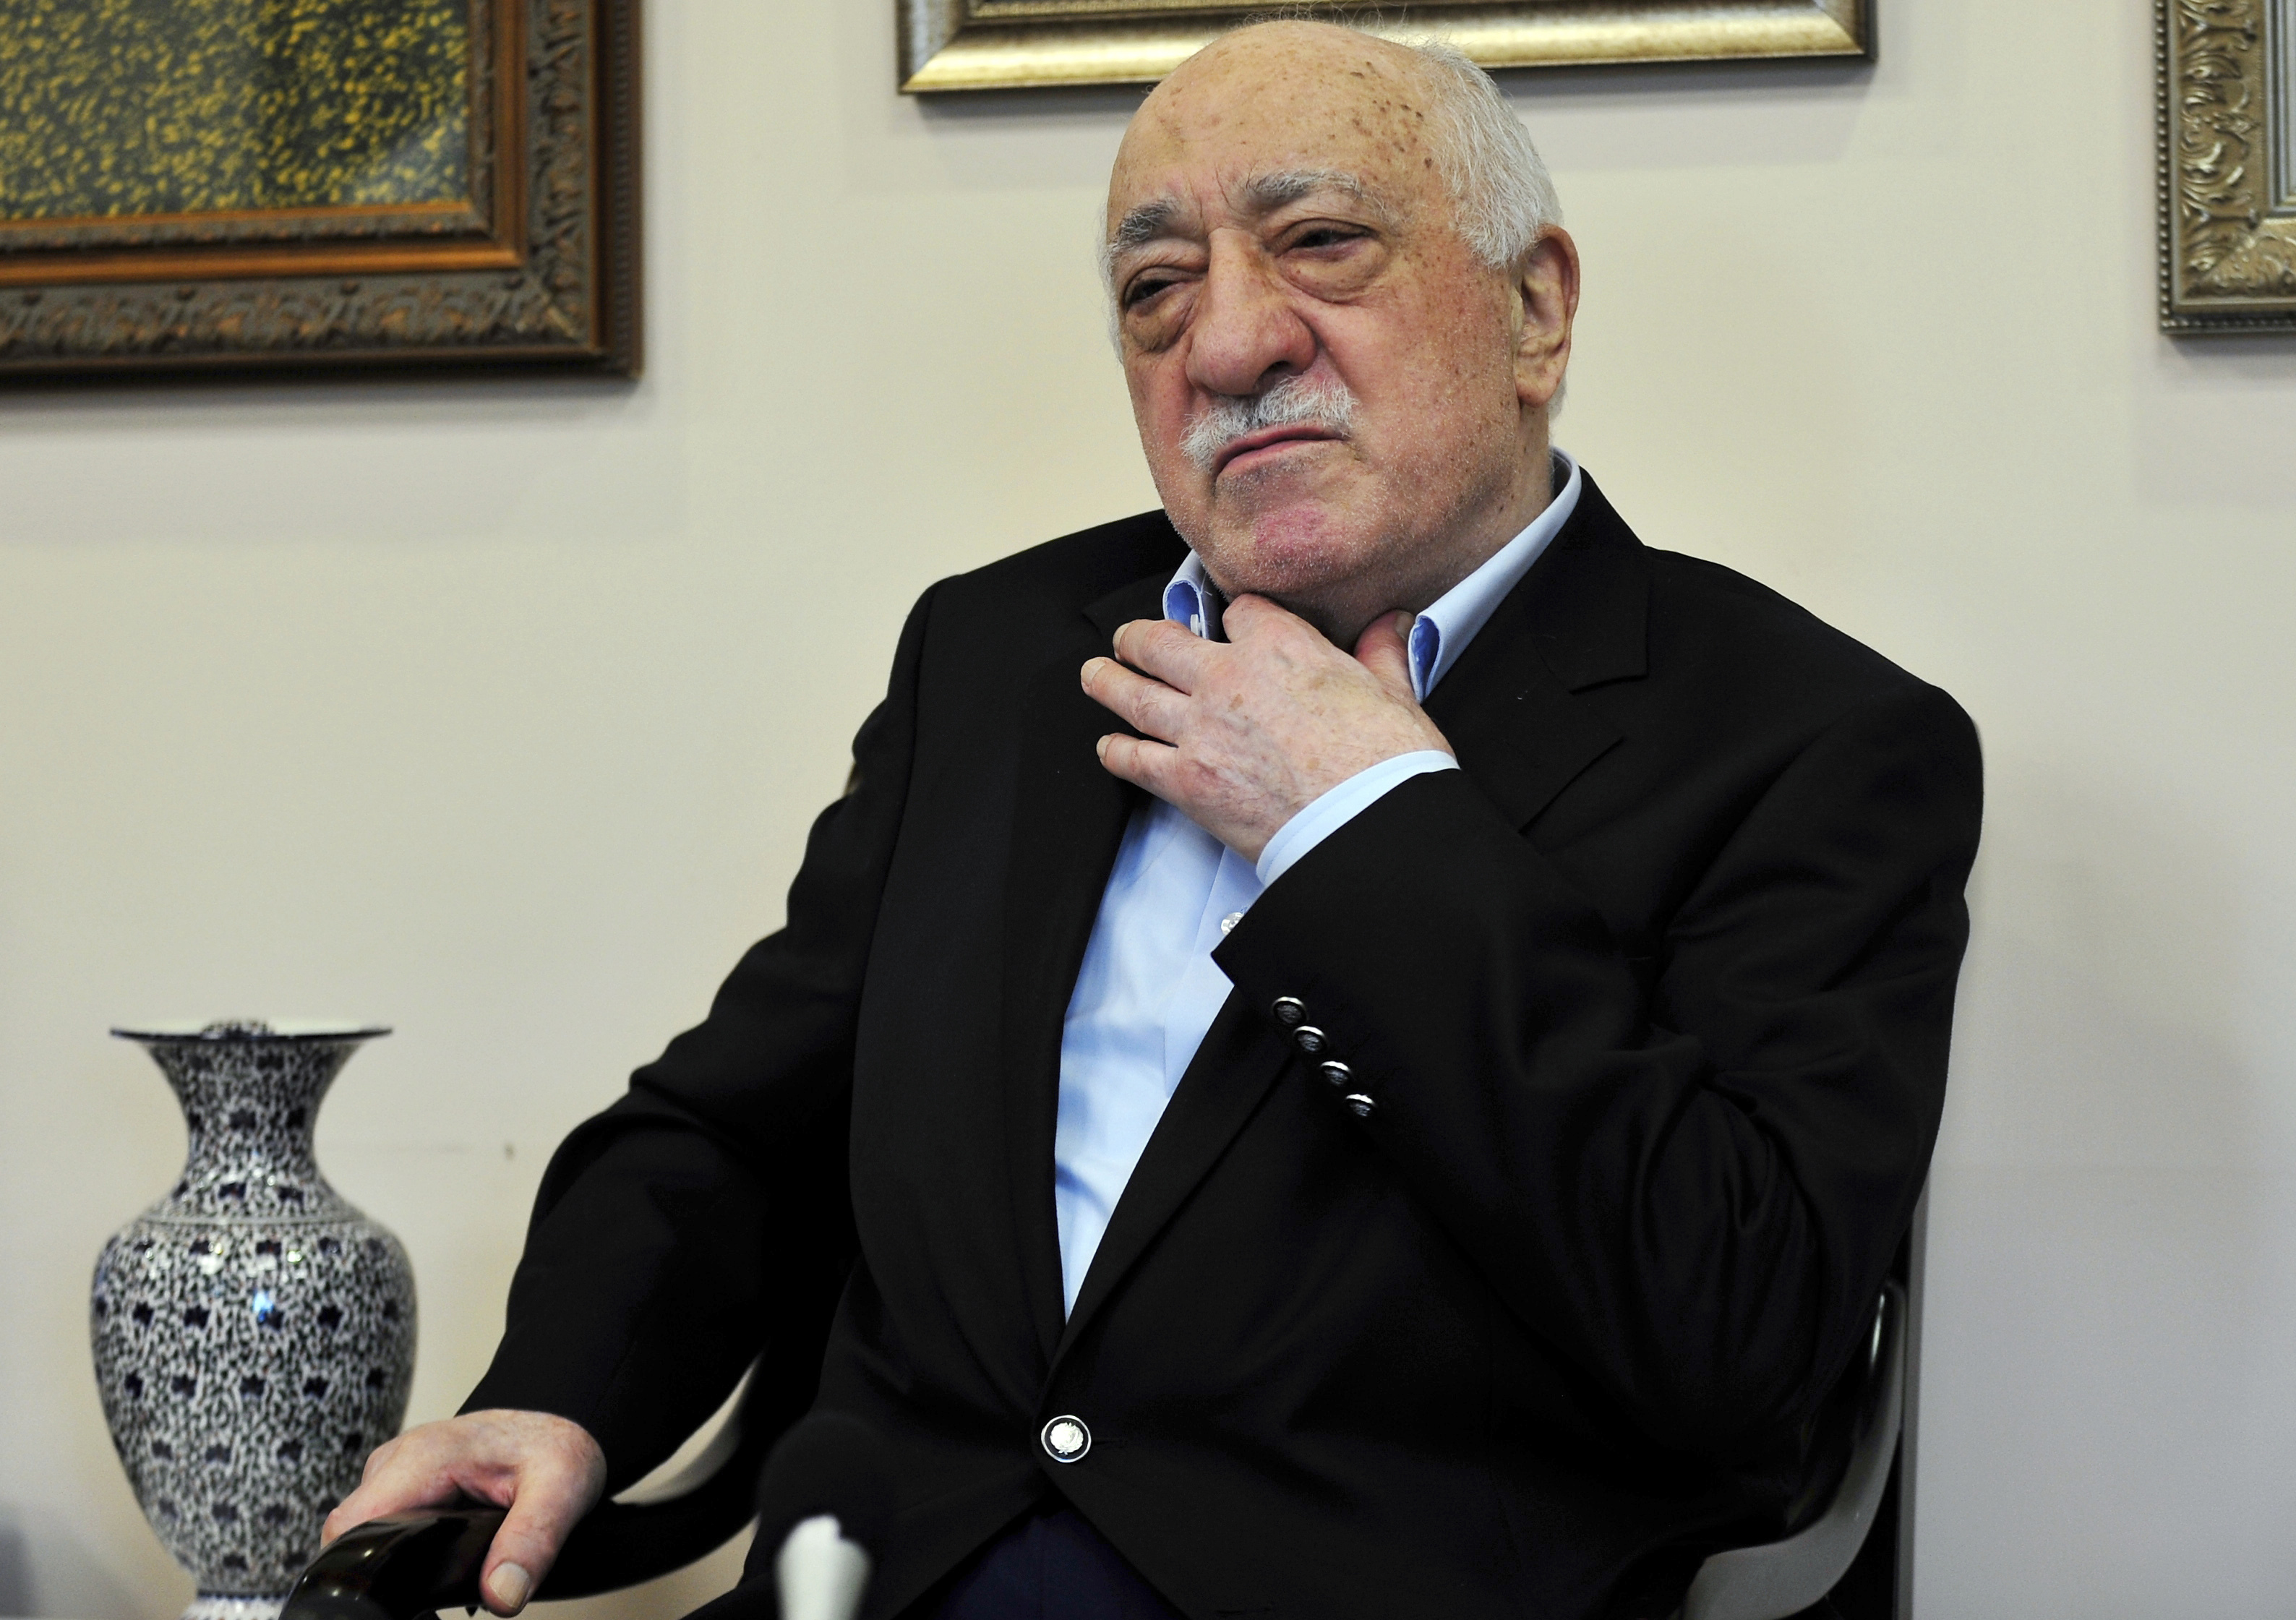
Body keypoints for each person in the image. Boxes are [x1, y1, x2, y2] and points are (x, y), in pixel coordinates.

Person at [325, 20, 1982, 1620]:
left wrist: (1370, 822)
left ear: (1535, 309)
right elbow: (731, 1132)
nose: (1229, 345)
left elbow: (1739, 1336)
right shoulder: (997, 660)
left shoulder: (1813, 744)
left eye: (1321, 242)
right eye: (1153, 290)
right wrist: (558, 1394)